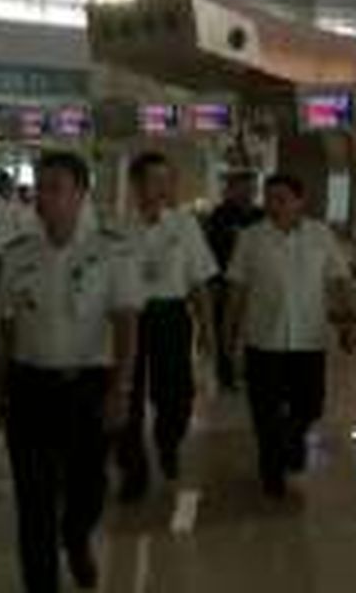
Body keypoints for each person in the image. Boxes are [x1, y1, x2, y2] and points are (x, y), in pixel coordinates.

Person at [0, 151, 141, 593]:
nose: (43, 198)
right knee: (33, 501)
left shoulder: (112, 250)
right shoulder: (18, 255)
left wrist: (121, 390)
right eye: (40, 187)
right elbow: (7, 328)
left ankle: (75, 537)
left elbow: (127, 322)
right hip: (30, 386)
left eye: (55, 187)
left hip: (87, 387)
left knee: (87, 489)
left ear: (80, 193)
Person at [224, 173, 355, 498]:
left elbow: (339, 280)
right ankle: (271, 471)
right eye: (269, 198)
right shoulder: (251, 238)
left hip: (308, 340)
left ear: (300, 201)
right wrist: (228, 333)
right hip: (263, 341)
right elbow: (237, 289)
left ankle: (293, 438)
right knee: (265, 412)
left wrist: (349, 322)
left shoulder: (321, 235)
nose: (274, 205)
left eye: (282, 198)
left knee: (310, 406)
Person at [117, 152, 217, 501]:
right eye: (154, 179)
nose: (162, 187)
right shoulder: (116, 229)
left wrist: (207, 328)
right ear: (135, 184)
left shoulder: (184, 225)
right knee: (126, 396)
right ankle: (133, 468)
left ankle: (167, 441)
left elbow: (200, 282)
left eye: (166, 179)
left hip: (172, 316)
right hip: (129, 318)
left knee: (176, 395)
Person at [204, 170, 264, 390]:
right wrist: (213, 283)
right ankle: (225, 374)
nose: (248, 192)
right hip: (225, 282)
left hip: (254, 284)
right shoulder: (220, 215)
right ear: (232, 190)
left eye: (252, 188)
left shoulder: (261, 216)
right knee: (225, 327)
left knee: (252, 329)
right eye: (243, 187)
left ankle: (251, 371)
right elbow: (210, 250)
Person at [0, 170, 37, 246]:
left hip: (19, 243)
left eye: (8, 184)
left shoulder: (21, 201)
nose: (7, 187)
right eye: (2, 184)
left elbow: (26, 226)